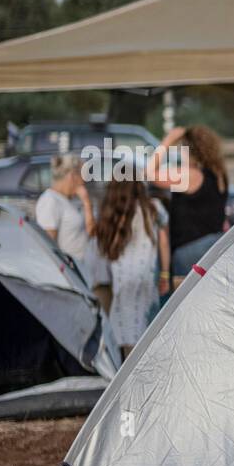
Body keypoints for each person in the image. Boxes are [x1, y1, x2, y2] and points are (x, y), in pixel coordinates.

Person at [146, 124, 228, 289]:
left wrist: (167, 141)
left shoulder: (191, 175)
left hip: (190, 248)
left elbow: (149, 174)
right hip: (214, 244)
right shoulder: (219, 174)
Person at [95, 179, 169, 359]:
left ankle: (125, 365)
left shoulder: (112, 211)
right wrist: (165, 273)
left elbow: (106, 247)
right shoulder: (153, 207)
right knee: (145, 321)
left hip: (122, 279)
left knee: (123, 322)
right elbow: (164, 242)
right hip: (146, 276)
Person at [35, 152, 95, 280]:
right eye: (82, 175)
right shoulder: (50, 200)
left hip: (81, 272)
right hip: (69, 275)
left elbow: (90, 231)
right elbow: (48, 244)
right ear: (72, 175)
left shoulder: (72, 199)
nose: (84, 181)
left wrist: (87, 203)